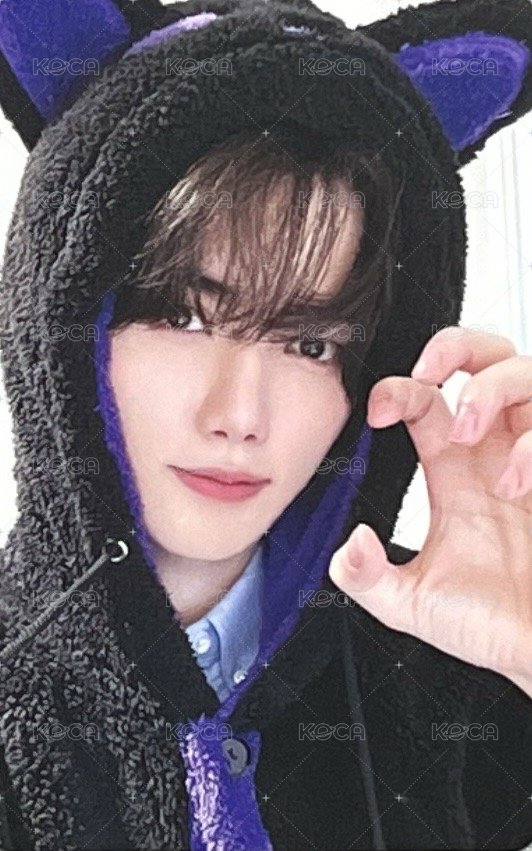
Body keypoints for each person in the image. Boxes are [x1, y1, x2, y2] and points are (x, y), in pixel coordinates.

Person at [0, 0, 531, 849]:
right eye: (181, 315)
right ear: (59, 319)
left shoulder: (451, 655)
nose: (240, 415)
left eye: (311, 343)